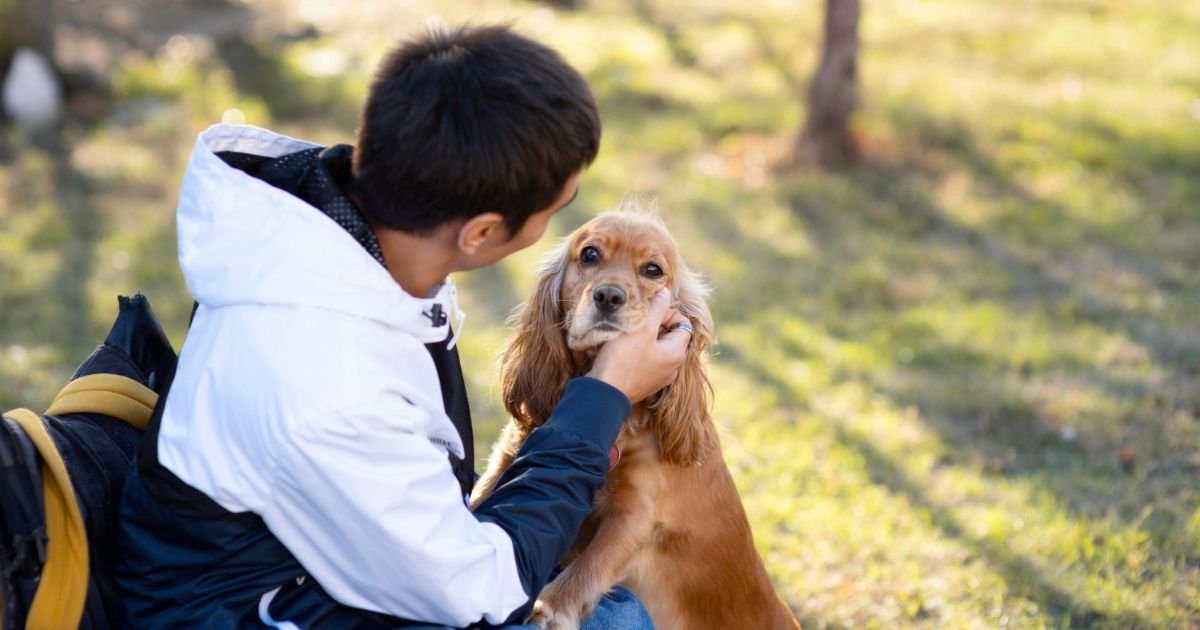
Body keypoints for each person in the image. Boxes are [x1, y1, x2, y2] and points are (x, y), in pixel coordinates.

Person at [114, 23, 691, 629]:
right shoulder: (329, 381)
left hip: (305, 570)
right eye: (553, 213)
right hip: (252, 613)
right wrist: (604, 396)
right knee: (616, 620)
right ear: (482, 233)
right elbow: (480, 591)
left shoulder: (337, 246)